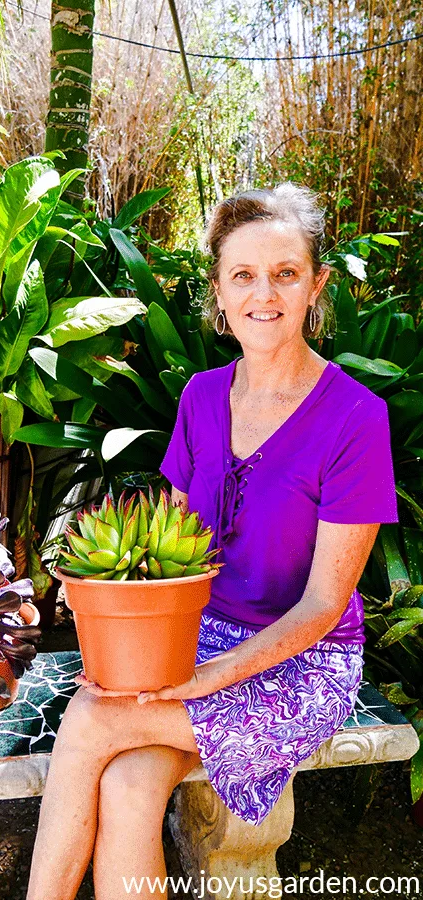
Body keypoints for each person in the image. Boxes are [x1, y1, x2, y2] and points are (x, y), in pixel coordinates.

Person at [26, 183, 399, 899]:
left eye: (286, 273)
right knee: (131, 784)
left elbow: (323, 605)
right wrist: (118, 645)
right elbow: (163, 560)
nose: (266, 293)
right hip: (196, 639)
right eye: (244, 275)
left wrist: (208, 678)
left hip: (301, 663)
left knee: (93, 721)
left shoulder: (356, 417)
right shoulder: (200, 396)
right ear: (219, 295)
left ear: (316, 285)